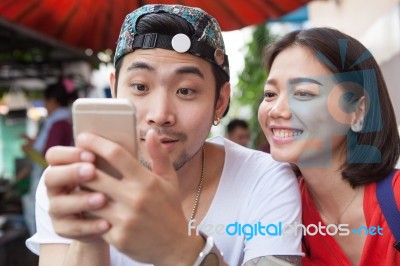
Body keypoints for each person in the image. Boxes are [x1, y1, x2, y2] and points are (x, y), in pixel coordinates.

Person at [26, 4, 303, 266]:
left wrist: (180, 249)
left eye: (185, 90)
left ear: (220, 101)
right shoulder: (70, 182)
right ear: (114, 90)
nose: (160, 114)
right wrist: (90, 234)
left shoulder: (264, 180)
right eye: (140, 86)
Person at [258, 27, 400, 266]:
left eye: (302, 93)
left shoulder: (395, 199)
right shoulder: (276, 210)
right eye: (270, 94)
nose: (276, 110)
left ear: (357, 111)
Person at [20, 78, 77, 236]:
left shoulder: (57, 124)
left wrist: (29, 150)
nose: (45, 106)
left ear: (52, 101)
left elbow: (48, 161)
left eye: (46, 101)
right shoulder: (64, 121)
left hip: (49, 183)